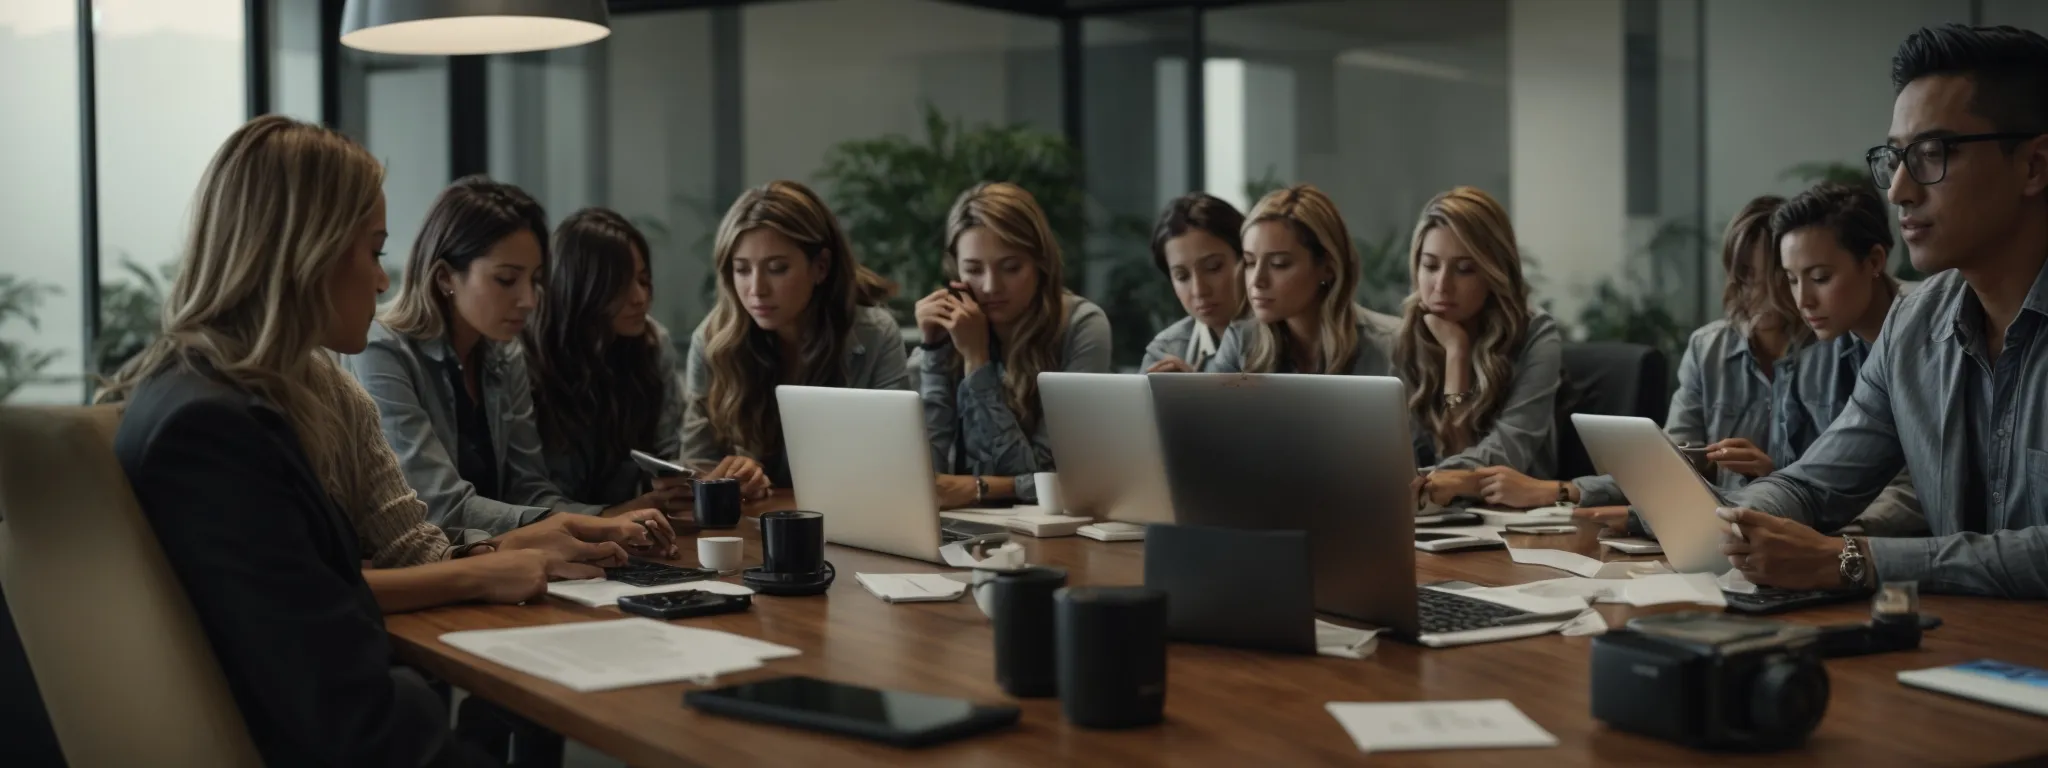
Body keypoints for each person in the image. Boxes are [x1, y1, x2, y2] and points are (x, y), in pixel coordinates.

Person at [94, 115, 630, 766]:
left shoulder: (227, 396)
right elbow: (348, 719)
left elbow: (332, 590)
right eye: (374, 251)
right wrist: (487, 565)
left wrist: (497, 548)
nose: (382, 280)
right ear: (308, 251)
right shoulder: (213, 431)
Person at [1724, 24, 2048, 598]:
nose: (1898, 190)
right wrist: (1736, 524)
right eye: (1895, 157)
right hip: (1956, 656)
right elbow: (1812, 486)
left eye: (1930, 155)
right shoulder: (1912, 324)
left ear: (2033, 167)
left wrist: (1851, 559)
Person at [345, 177, 677, 534]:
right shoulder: (382, 349)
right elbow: (436, 504)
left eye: (534, 280)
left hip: (503, 561)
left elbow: (529, 491)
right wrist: (587, 524)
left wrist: (610, 520)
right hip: (424, 568)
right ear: (445, 278)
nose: (529, 300)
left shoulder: (503, 354)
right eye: (506, 280)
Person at [1470, 195, 1804, 512]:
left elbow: (1841, 485)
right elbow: (1667, 467)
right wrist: (1565, 491)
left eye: (1776, 275)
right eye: (1746, 274)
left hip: (1796, 532)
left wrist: (1775, 475)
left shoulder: (1834, 353)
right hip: (1714, 529)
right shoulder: (1709, 349)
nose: (1760, 292)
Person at [684, 180, 907, 493]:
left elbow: (898, 466)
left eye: (776, 268)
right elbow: (694, 468)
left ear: (821, 267)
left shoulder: (874, 336)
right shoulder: (712, 340)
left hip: (847, 520)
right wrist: (731, 480)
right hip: (748, 527)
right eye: (742, 270)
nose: (756, 289)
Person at [916, 182, 1112, 508]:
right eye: (974, 269)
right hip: (965, 525)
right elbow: (925, 476)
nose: (991, 286)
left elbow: (1045, 480)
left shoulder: (1082, 326)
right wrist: (933, 353)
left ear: (1040, 263)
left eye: (1011, 268)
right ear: (955, 269)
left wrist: (977, 361)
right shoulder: (955, 323)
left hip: (1050, 528)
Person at [1774, 181, 1925, 536]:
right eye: (1792, 280)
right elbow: (1808, 477)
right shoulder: (1814, 358)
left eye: (1820, 277)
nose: (1803, 300)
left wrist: (1838, 544)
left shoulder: (1933, 331)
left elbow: (1923, 490)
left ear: (1874, 261)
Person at [1393, 187, 1563, 501]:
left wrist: (1456, 354)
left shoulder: (1535, 334)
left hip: (1518, 521)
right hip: (1427, 515)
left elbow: (1509, 453)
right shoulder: (1407, 333)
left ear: (1493, 271)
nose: (1442, 286)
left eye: (1464, 269)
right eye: (1430, 266)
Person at [523, 208, 690, 508]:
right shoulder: (525, 359)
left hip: (631, 533)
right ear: (580, 286)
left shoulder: (652, 344)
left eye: (643, 279)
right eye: (622, 284)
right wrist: (620, 514)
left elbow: (672, 453)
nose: (640, 297)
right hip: (548, 538)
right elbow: (526, 495)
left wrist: (687, 482)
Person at [1208, 184, 1396, 376]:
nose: (1257, 281)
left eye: (1279, 264)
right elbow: (1210, 406)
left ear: (1328, 268)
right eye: (1249, 262)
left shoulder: (1390, 345)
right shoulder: (1242, 342)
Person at [1140, 193, 1251, 372]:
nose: (1199, 290)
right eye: (1182, 277)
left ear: (1246, 260)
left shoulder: (1289, 340)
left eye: (1213, 267)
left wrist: (1195, 393)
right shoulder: (1167, 352)